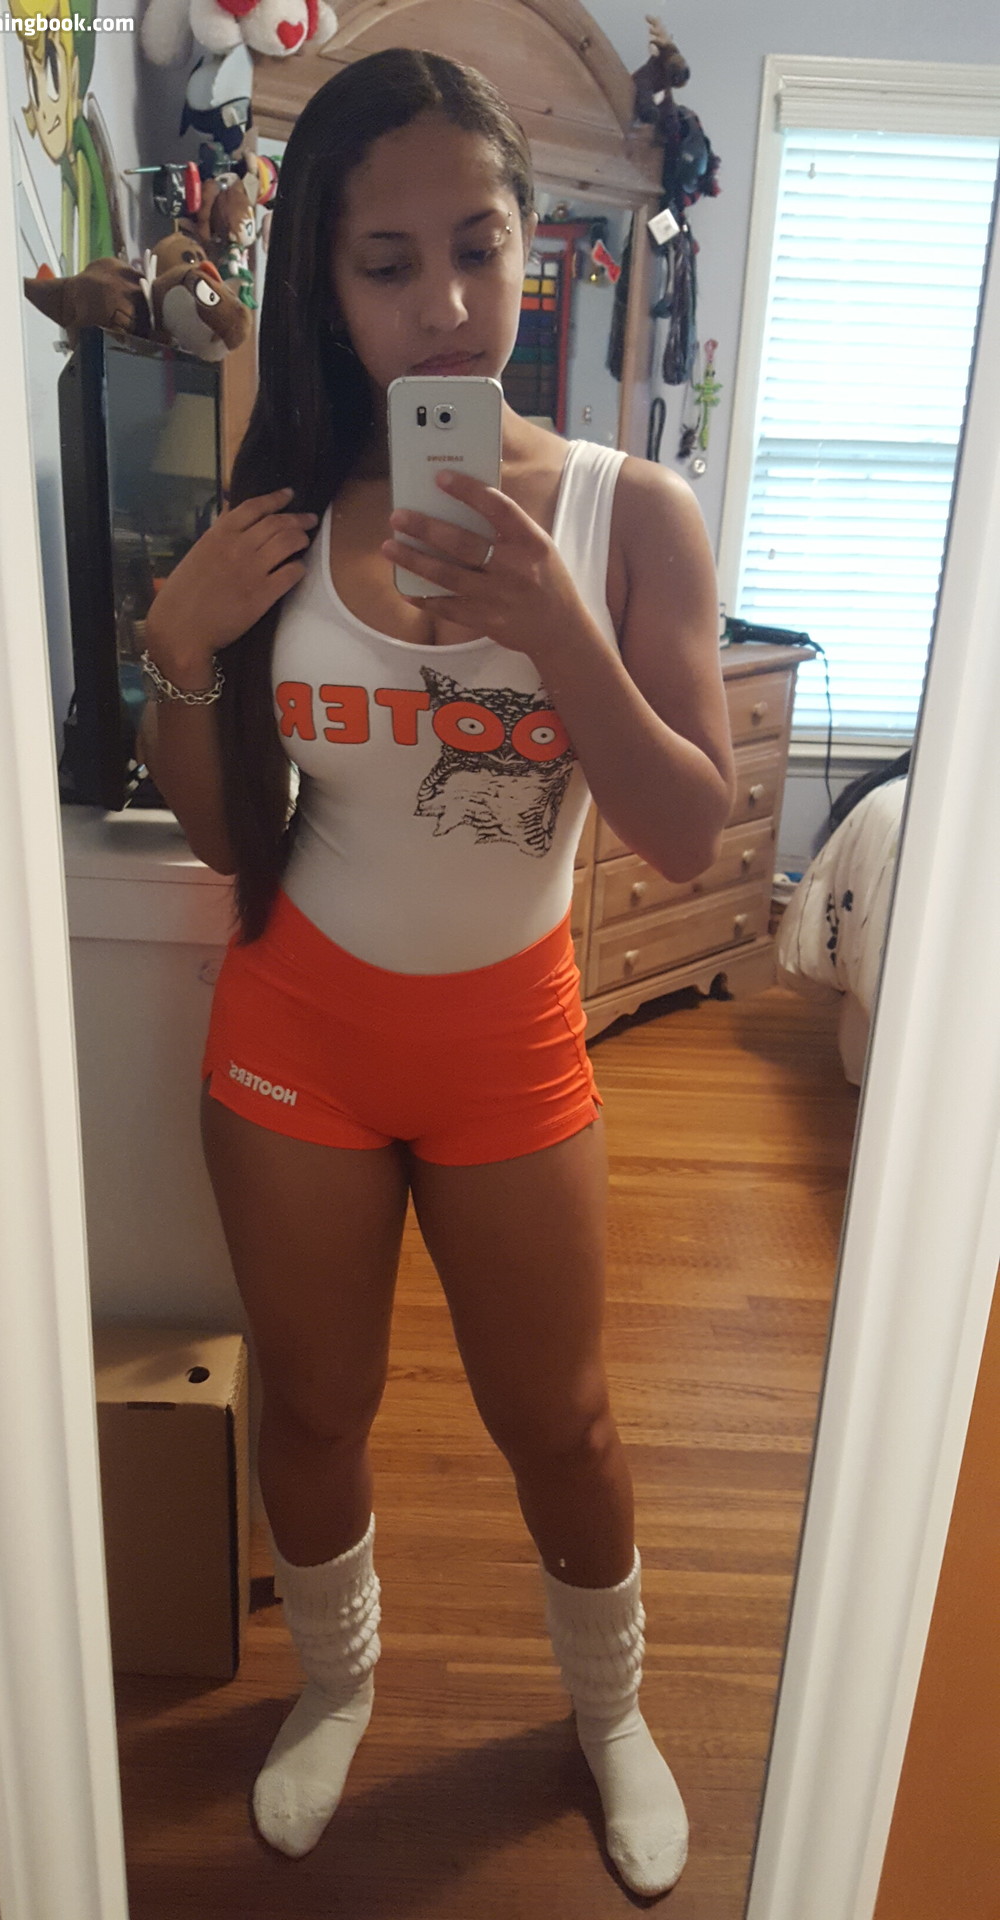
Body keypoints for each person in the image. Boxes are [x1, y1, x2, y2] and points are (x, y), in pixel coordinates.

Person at [137, 47, 734, 1899]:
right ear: (328, 282)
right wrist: (178, 648)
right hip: (299, 1031)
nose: (446, 304)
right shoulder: (287, 512)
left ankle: (610, 1715)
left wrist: (557, 627)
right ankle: (337, 1687)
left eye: (478, 246)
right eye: (387, 264)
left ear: (531, 243)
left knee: (563, 1420)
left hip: (508, 1045)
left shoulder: (632, 514)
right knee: (316, 1411)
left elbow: (688, 830)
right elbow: (230, 838)